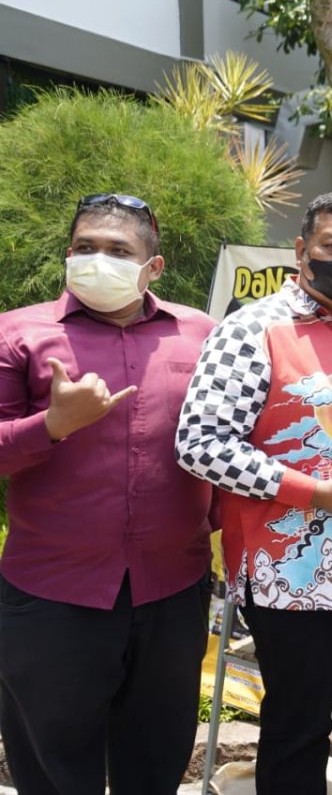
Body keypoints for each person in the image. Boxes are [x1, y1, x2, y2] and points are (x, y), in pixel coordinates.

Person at [176, 191, 332, 795]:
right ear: (302, 251)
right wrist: (314, 493)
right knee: (297, 730)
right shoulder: (251, 331)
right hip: (295, 580)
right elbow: (200, 443)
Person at [0, 194, 215, 793]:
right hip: (52, 593)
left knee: (157, 757)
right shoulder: (18, 332)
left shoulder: (199, 333)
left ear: (154, 267)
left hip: (171, 590)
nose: (98, 259)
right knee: (54, 767)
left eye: (118, 250)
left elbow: (225, 439)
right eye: (85, 248)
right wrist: (50, 426)